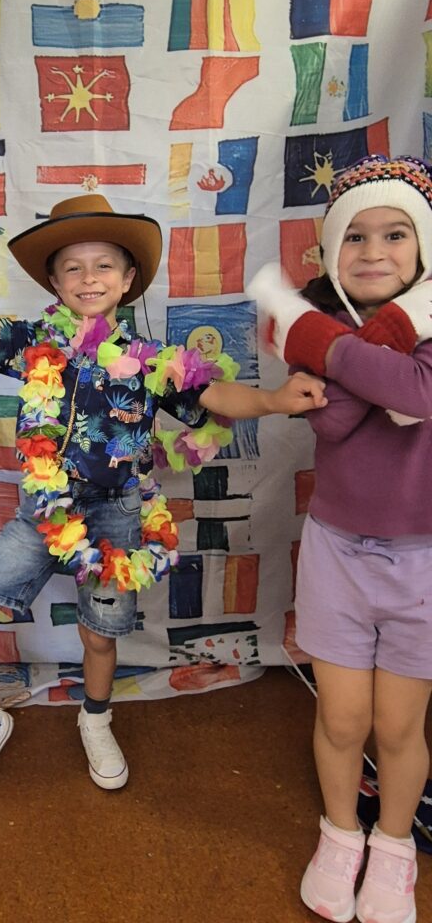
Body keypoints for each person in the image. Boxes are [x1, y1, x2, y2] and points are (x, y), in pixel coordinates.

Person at [0, 192, 327, 806]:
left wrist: (274, 401)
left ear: (129, 279)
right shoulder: (36, 340)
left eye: (104, 266)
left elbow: (217, 397)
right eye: (73, 267)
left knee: (98, 635)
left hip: (117, 513)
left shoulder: (152, 361)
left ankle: (95, 718)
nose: (89, 278)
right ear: (54, 281)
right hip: (44, 513)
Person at [248, 155, 432, 923]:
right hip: (337, 554)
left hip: (424, 564)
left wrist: (322, 339)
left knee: (398, 725)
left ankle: (394, 850)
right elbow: (331, 418)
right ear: (329, 254)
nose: (374, 251)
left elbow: (418, 394)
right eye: (353, 238)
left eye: (395, 234)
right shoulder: (326, 335)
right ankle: (340, 834)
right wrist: (361, 347)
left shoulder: (324, 335)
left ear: (423, 250)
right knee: (342, 719)